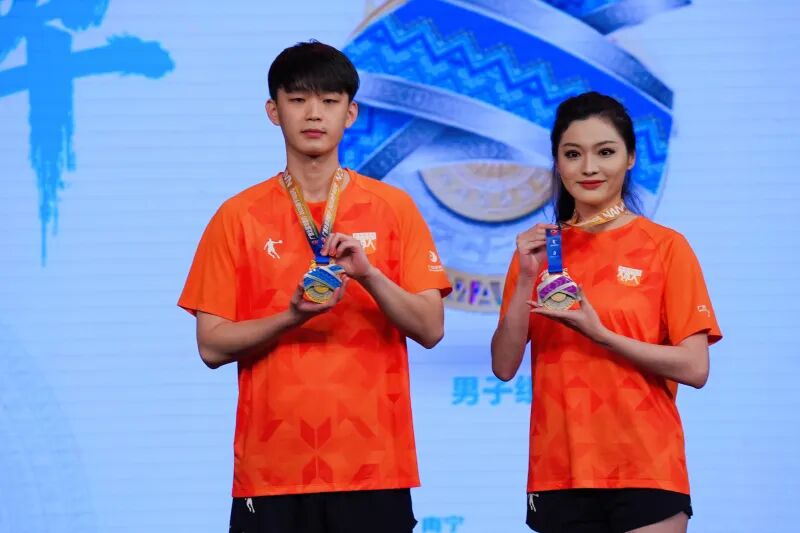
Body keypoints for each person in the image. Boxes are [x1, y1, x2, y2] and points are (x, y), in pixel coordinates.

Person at [178, 40, 451, 533]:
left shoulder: (394, 208)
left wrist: (369, 275)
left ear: (351, 113)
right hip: (271, 472)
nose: (313, 113)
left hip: (374, 467)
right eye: (298, 99)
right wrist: (292, 317)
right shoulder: (237, 216)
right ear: (273, 111)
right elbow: (211, 346)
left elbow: (431, 328)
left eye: (329, 101)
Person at [491, 91, 722, 533]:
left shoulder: (665, 246)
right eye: (572, 154)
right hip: (558, 471)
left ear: (630, 158)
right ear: (557, 162)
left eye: (605, 152)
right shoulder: (539, 252)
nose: (589, 168)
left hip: (646, 467)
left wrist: (602, 335)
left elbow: (695, 368)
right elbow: (503, 366)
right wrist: (524, 279)